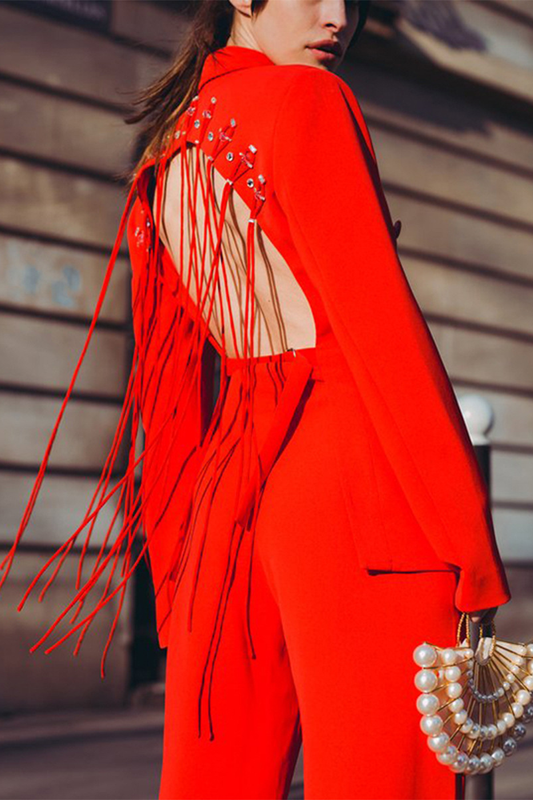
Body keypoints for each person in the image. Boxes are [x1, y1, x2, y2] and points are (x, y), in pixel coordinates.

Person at [0, 1, 512, 798]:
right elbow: (382, 332)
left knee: (215, 782)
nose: (337, 15)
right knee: (388, 780)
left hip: (227, 493)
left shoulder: (166, 149)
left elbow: (170, 381)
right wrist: (470, 548)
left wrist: (177, 565)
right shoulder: (306, 98)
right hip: (351, 475)